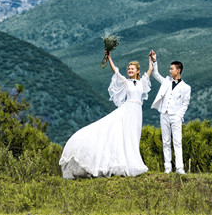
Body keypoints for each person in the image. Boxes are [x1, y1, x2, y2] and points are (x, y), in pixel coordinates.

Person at [58, 49, 153, 179]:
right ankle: (122, 164)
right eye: (128, 69)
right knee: (122, 135)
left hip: (137, 113)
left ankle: (133, 162)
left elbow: (150, 70)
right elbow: (116, 71)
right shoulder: (126, 82)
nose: (129, 70)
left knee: (133, 137)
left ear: (137, 71)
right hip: (127, 110)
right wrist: (109, 58)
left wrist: (150, 58)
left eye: (132, 69)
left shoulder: (142, 82)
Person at [149, 50, 191, 174]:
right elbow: (155, 74)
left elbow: (185, 103)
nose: (169, 71)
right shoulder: (166, 81)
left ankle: (179, 168)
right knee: (166, 142)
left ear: (178, 70)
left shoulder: (186, 87)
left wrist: (179, 116)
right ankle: (167, 168)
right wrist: (154, 60)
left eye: (171, 69)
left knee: (177, 142)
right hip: (164, 115)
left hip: (176, 117)